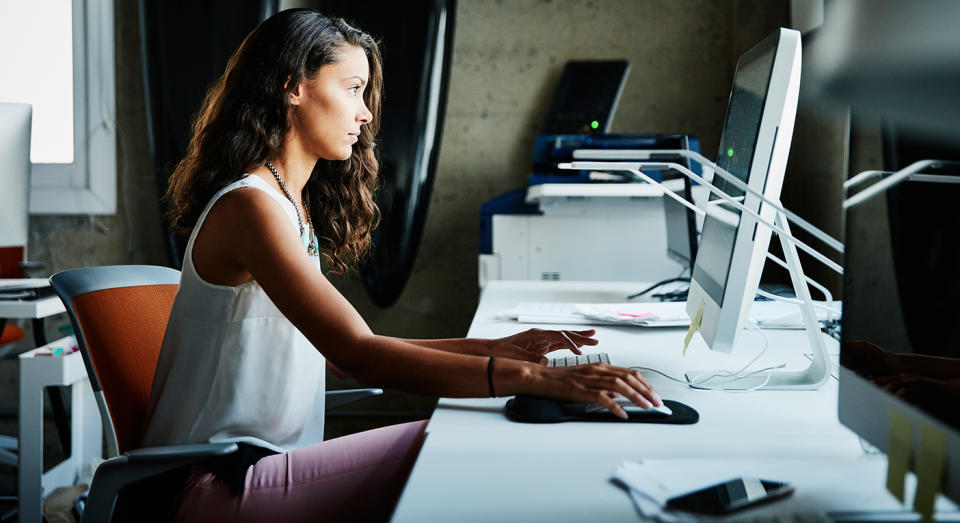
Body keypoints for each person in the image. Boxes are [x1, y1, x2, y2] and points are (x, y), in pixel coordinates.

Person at [139, 8, 661, 522]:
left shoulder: (286, 204)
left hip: (254, 470)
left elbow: (337, 357)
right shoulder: (252, 206)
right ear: (292, 87)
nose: (365, 113)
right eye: (351, 88)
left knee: (472, 432)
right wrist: (529, 378)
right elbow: (356, 353)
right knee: (458, 441)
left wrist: (496, 349)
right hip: (212, 487)